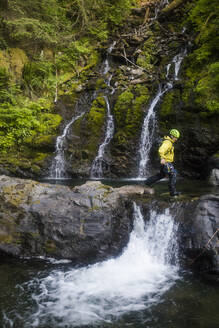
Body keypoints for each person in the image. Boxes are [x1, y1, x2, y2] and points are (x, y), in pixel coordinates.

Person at [144, 129, 180, 196]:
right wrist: (163, 158)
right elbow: (161, 150)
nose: (176, 139)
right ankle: (172, 192)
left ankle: (147, 182)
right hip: (166, 162)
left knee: (161, 175)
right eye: (175, 137)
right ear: (172, 136)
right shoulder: (168, 142)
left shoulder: (169, 142)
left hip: (166, 162)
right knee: (173, 173)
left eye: (177, 138)